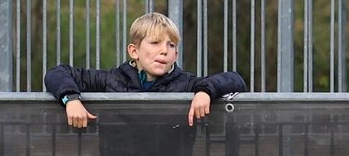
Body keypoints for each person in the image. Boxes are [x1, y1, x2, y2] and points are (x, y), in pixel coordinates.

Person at [44, 12, 246, 153]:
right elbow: (57, 73)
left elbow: (235, 80)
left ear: (176, 55)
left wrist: (205, 92)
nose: (164, 50)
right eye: (155, 43)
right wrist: (70, 98)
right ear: (134, 51)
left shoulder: (186, 83)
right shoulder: (111, 79)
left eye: (171, 45)